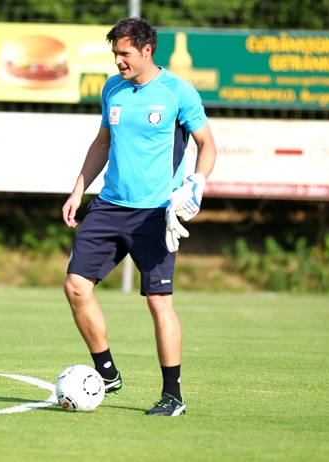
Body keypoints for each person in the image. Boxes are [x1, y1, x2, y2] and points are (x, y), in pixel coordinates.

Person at [61, 17, 216, 417]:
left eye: (124, 54)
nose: (118, 62)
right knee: (76, 287)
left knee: (159, 302)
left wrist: (196, 182)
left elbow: (207, 143)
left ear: (147, 51)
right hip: (110, 205)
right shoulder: (112, 88)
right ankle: (107, 373)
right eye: (115, 54)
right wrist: (78, 190)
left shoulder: (177, 92)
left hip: (155, 214)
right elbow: (102, 142)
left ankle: (172, 396)